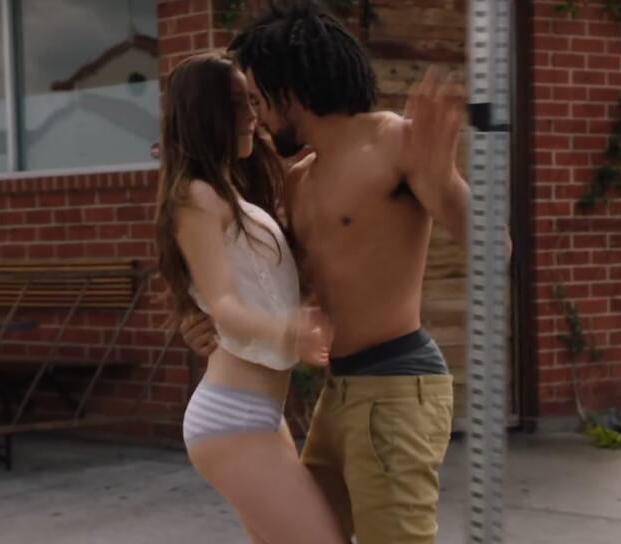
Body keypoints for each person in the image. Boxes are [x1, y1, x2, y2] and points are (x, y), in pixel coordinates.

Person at [181, 2, 473, 542]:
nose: (256, 116)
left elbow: (496, 248)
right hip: (336, 393)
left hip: (396, 384)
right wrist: (218, 324)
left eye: (257, 99)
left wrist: (444, 182)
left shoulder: (395, 142)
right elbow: (277, 289)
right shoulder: (297, 180)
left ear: (288, 91)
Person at [153, 52, 345, 544]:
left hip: (260, 415)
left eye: (251, 102)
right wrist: (290, 330)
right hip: (232, 418)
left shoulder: (231, 193)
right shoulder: (197, 197)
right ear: (205, 113)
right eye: (236, 104)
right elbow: (224, 308)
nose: (251, 116)